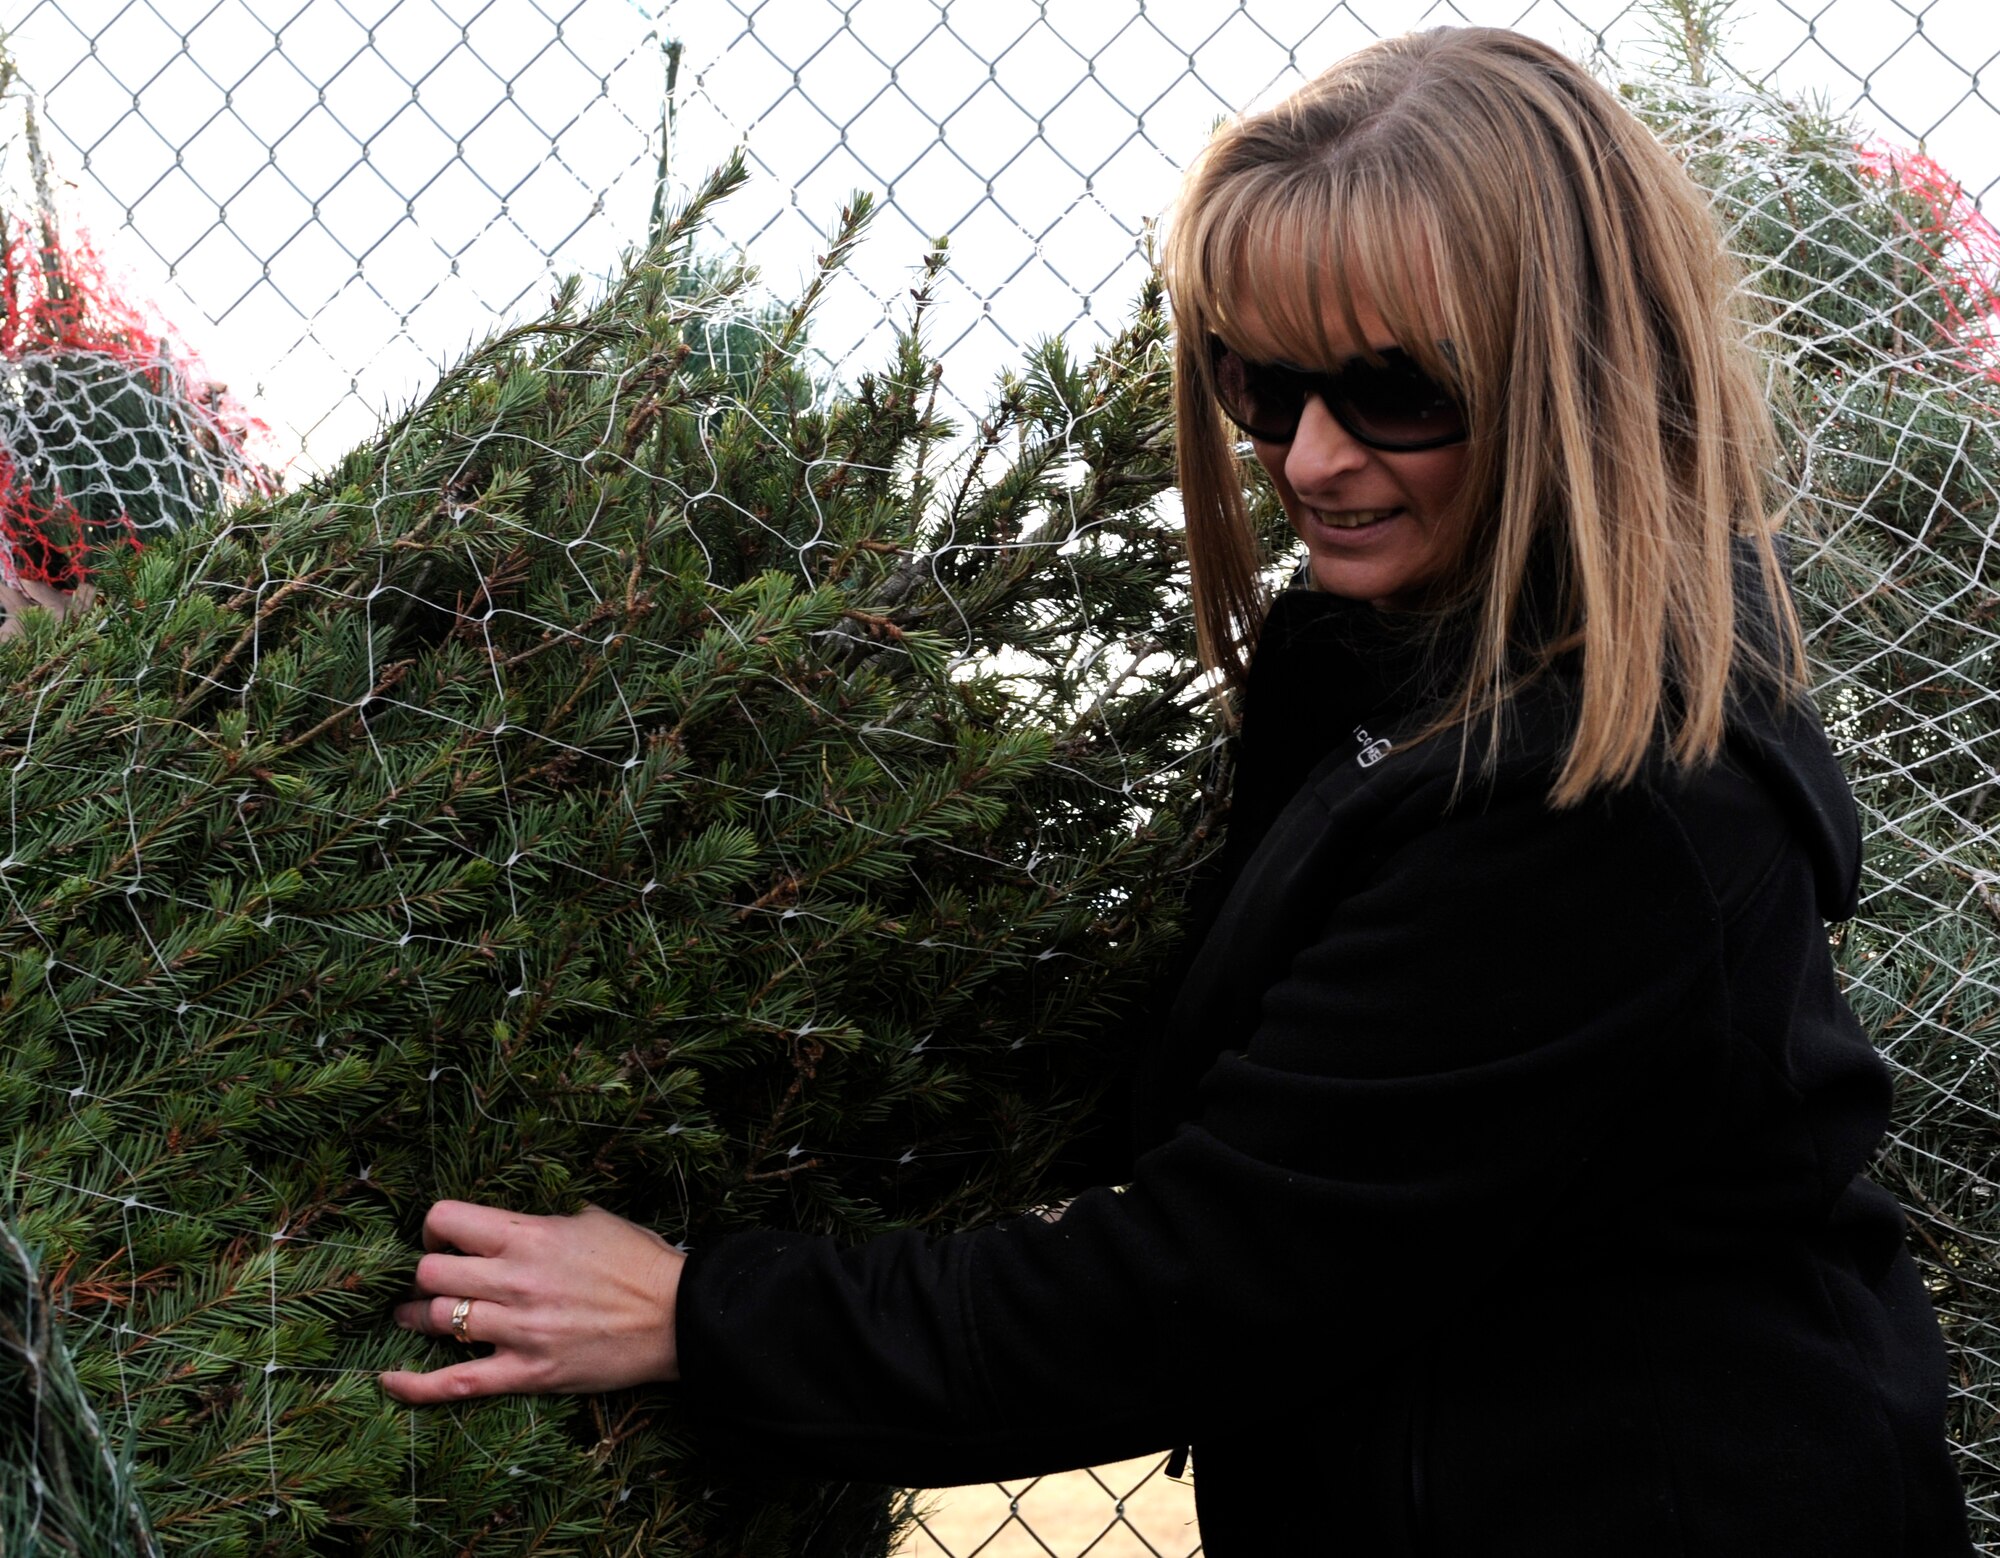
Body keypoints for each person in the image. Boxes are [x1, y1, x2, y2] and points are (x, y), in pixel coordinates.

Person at [380, 27, 1973, 1554]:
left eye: (1397, 389)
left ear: (1580, 372)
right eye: (1259, 384)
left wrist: (691, 1312)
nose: (1310, 458)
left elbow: (1206, 1284)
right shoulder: (1382, 663)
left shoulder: (1603, 805)